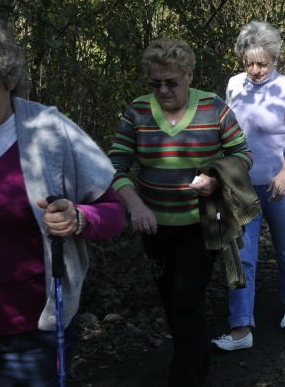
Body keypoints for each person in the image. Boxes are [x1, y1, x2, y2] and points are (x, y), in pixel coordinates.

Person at [0, 3, 125, 385]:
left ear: (8, 78)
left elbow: (116, 212)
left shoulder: (50, 130)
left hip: (33, 333)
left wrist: (80, 219)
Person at [108, 38, 253, 384]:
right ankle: (195, 359)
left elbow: (243, 155)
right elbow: (114, 165)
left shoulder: (214, 108)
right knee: (172, 300)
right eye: (155, 83)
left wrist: (216, 178)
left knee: (187, 299)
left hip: (200, 224)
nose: (163, 90)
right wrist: (136, 205)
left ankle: (186, 377)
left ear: (189, 75)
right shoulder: (138, 112)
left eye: (171, 82)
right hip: (155, 227)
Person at [213, 21, 285, 350]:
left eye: (261, 63)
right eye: (249, 63)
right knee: (241, 257)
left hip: (283, 183)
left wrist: (284, 172)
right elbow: (226, 134)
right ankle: (241, 329)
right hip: (241, 187)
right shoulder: (234, 86)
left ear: (275, 58)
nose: (255, 70)